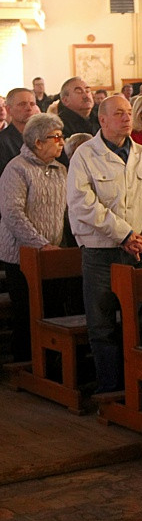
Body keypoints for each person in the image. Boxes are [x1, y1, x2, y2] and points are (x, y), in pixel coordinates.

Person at [67, 95, 142, 393]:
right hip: (101, 250)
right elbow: (82, 203)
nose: (126, 118)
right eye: (118, 113)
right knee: (102, 323)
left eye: (128, 113)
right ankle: (111, 389)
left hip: (139, 250)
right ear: (102, 120)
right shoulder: (85, 155)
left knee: (141, 319)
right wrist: (124, 234)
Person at [0, 114, 68, 362]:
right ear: (38, 142)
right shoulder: (17, 168)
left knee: (51, 311)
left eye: (62, 137)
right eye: (56, 137)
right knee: (27, 312)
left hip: (53, 254)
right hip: (21, 255)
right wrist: (40, 244)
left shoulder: (60, 169)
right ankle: (25, 363)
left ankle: (50, 364)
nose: (62, 142)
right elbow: (12, 213)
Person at [0, 88, 41, 173]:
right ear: (8, 109)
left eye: (32, 104)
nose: (29, 108)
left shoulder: (45, 137)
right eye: (22, 104)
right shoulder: (2, 141)